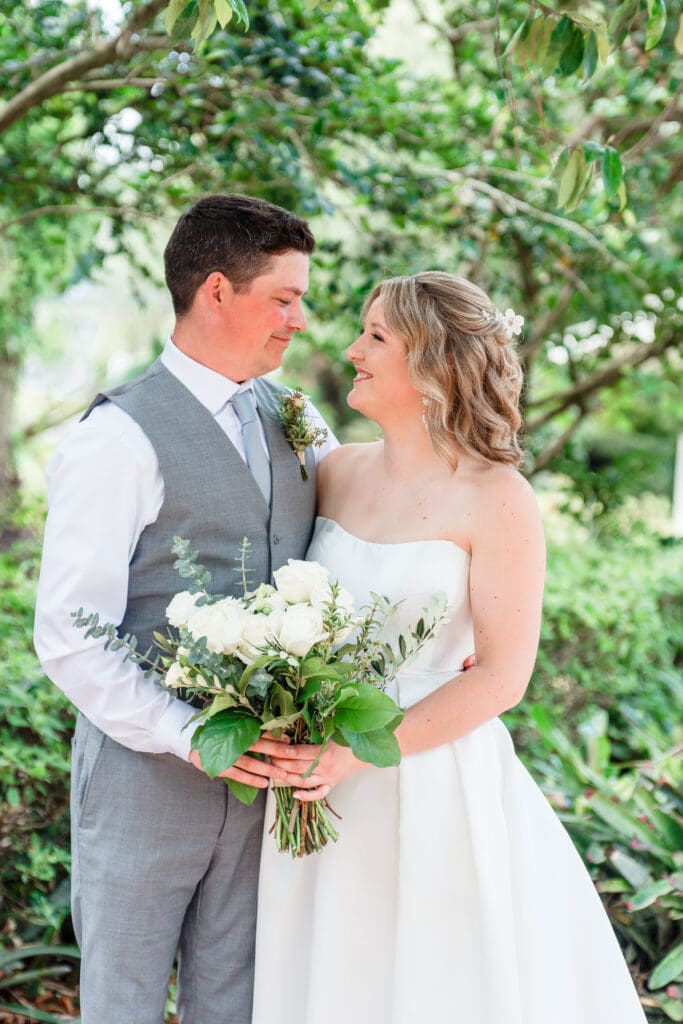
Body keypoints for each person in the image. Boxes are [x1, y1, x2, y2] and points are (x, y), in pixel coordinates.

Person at [252, 272, 647, 1024]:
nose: (352, 350)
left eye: (376, 336)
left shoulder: (498, 497)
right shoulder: (335, 472)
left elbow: (502, 676)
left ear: (434, 362)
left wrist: (354, 752)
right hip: (316, 781)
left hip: (428, 781)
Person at [34, 193, 338, 1024]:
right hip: (144, 778)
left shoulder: (296, 417)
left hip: (265, 789)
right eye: (284, 298)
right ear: (216, 292)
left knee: (238, 1002)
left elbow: (365, 533)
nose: (299, 321)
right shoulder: (115, 439)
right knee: (124, 1002)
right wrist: (189, 734)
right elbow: (68, 632)